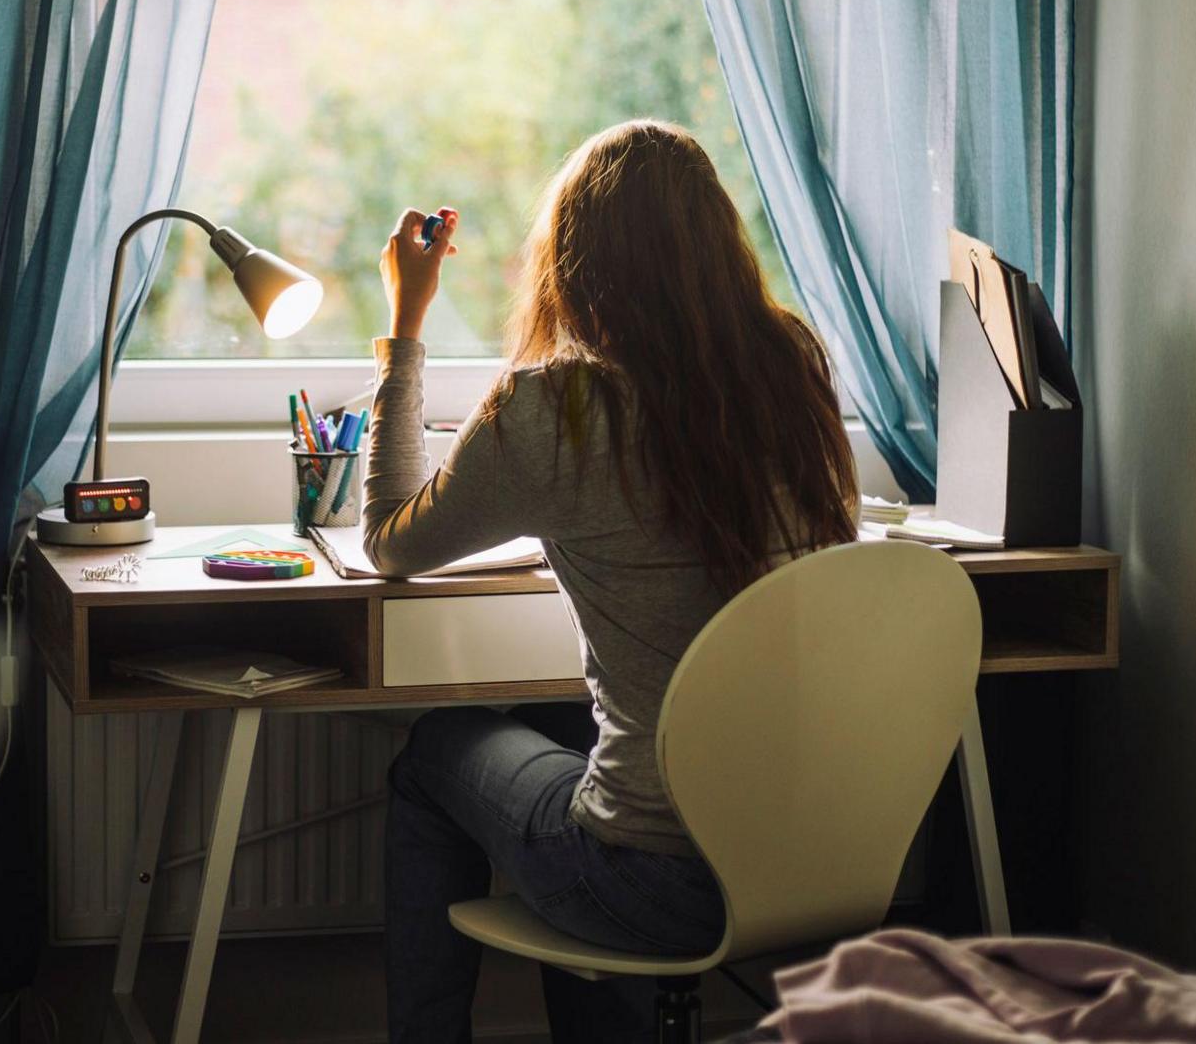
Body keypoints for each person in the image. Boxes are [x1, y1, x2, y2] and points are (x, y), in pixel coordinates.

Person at [363, 120, 860, 1042]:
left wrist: (405, 326)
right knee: (560, 727)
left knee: (436, 749)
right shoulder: (792, 366)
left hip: (655, 881)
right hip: (810, 860)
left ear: (574, 260)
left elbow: (391, 540)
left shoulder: (561, 408)